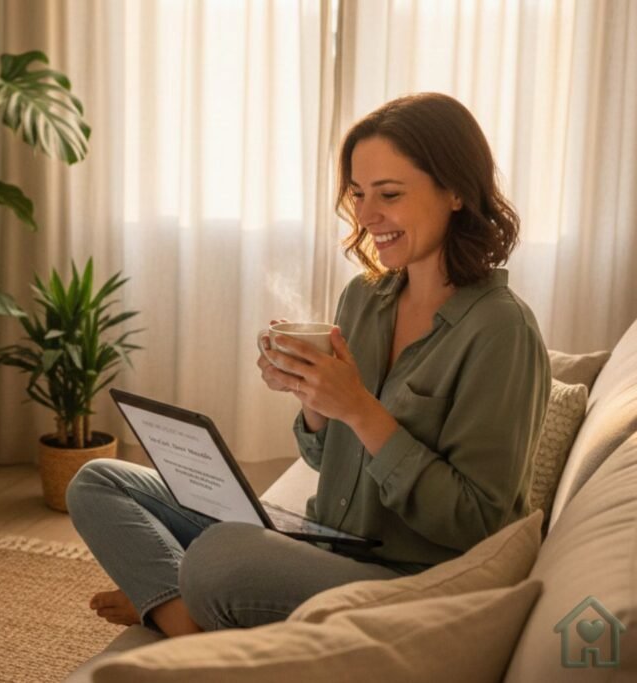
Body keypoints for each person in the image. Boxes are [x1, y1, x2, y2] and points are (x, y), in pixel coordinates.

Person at [65, 92, 550, 637]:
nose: (367, 217)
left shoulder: (501, 331)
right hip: (325, 539)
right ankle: (184, 613)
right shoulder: (365, 299)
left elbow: (477, 525)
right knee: (98, 481)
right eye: (359, 194)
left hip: (406, 580)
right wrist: (314, 401)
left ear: (456, 191)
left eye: (389, 194)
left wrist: (361, 410)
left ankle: (177, 606)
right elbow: (327, 461)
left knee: (222, 556)